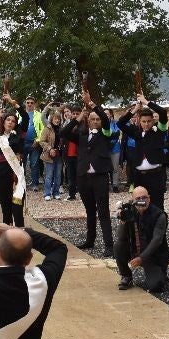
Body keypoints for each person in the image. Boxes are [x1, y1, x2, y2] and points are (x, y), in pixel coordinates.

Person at [114, 186, 169, 292]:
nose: (141, 201)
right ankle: (126, 276)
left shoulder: (159, 215)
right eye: (138, 198)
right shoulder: (130, 211)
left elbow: (157, 240)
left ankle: (161, 274)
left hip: (153, 255)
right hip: (135, 249)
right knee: (118, 245)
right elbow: (121, 236)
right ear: (133, 200)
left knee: (155, 286)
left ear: (149, 198)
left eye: (144, 197)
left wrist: (141, 258)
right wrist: (123, 221)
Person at [74, 99, 114, 254]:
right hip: (84, 177)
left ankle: (109, 246)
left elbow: (105, 119)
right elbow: (64, 133)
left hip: (100, 177)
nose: (96, 121)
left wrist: (91, 104)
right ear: (88, 120)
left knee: (103, 212)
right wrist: (78, 118)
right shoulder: (82, 135)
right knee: (90, 211)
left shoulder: (105, 133)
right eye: (93, 119)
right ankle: (90, 240)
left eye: (97, 119)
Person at [118, 97, 169, 209]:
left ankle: (158, 225)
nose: (146, 124)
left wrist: (147, 102)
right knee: (140, 206)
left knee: (158, 205)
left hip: (156, 175)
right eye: (144, 121)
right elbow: (120, 123)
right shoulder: (136, 132)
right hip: (139, 176)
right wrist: (135, 109)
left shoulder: (159, 130)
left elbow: (163, 112)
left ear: (153, 121)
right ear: (139, 121)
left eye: (149, 121)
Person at [0, 96, 29, 228]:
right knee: (6, 210)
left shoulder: (19, 135)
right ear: (4, 121)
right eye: (8, 119)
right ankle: (8, 241)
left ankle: (21, 238)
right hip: (1, 175)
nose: (10, 122)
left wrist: (13, 102)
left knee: (17, 209)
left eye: (13, 120)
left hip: (16, 175)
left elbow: (26, 117)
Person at [38, 109, 65, 200]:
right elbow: (42, 141)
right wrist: (49, 149)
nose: (57, 120)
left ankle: (56, 192)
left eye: (58, 119)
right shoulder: (47, 128)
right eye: (55, 118)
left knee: (58, 175)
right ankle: (47, 193)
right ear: (51, 119)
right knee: (49, 175)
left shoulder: (61, 129)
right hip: (49, 155)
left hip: (59, 155)